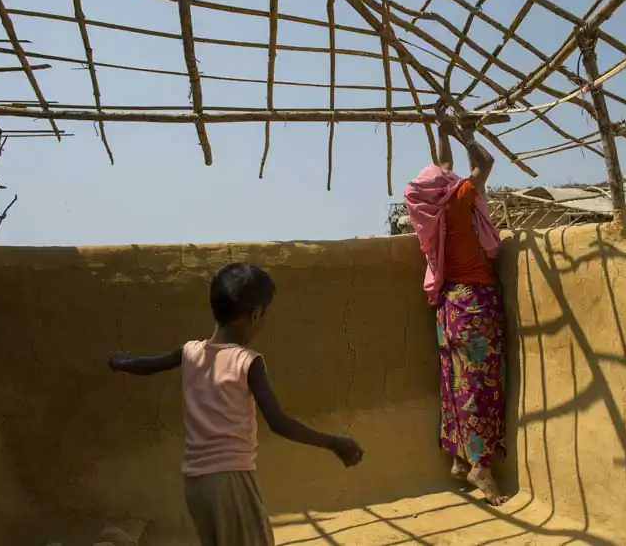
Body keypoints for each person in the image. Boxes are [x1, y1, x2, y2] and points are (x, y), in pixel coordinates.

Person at [107, 262, 364, 546]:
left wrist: (122, 362)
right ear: (255, 314)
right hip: (230, 481)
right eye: (265, 313)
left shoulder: (190, 352)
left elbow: (149, 365)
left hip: (196, 484)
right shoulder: (248, 362)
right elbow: (279, 423)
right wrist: (333, 443)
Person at [404, 109, 508, 506]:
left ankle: (459, 459)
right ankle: (481, 465)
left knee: (456, 382)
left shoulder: (432, 211)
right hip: (476, 302)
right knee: (481, 386)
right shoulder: (462, 198)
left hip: (449, 305)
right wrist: (468, 135)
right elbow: (486, 163)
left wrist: (441, 131)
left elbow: (443, 168)